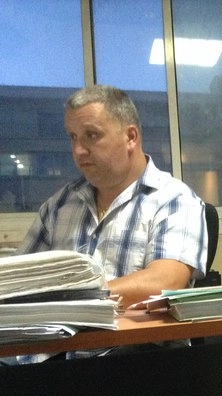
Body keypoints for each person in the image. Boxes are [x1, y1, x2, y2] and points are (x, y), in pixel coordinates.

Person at [16, 85, 208, 309]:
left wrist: (74, 298)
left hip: (134, 331)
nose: (78, 150)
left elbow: (165, 283)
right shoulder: (59, 205)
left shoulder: (174, 200)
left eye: (91, 135)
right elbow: (16, 281)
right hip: (59, 331)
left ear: (130, 137)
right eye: (73, 137)